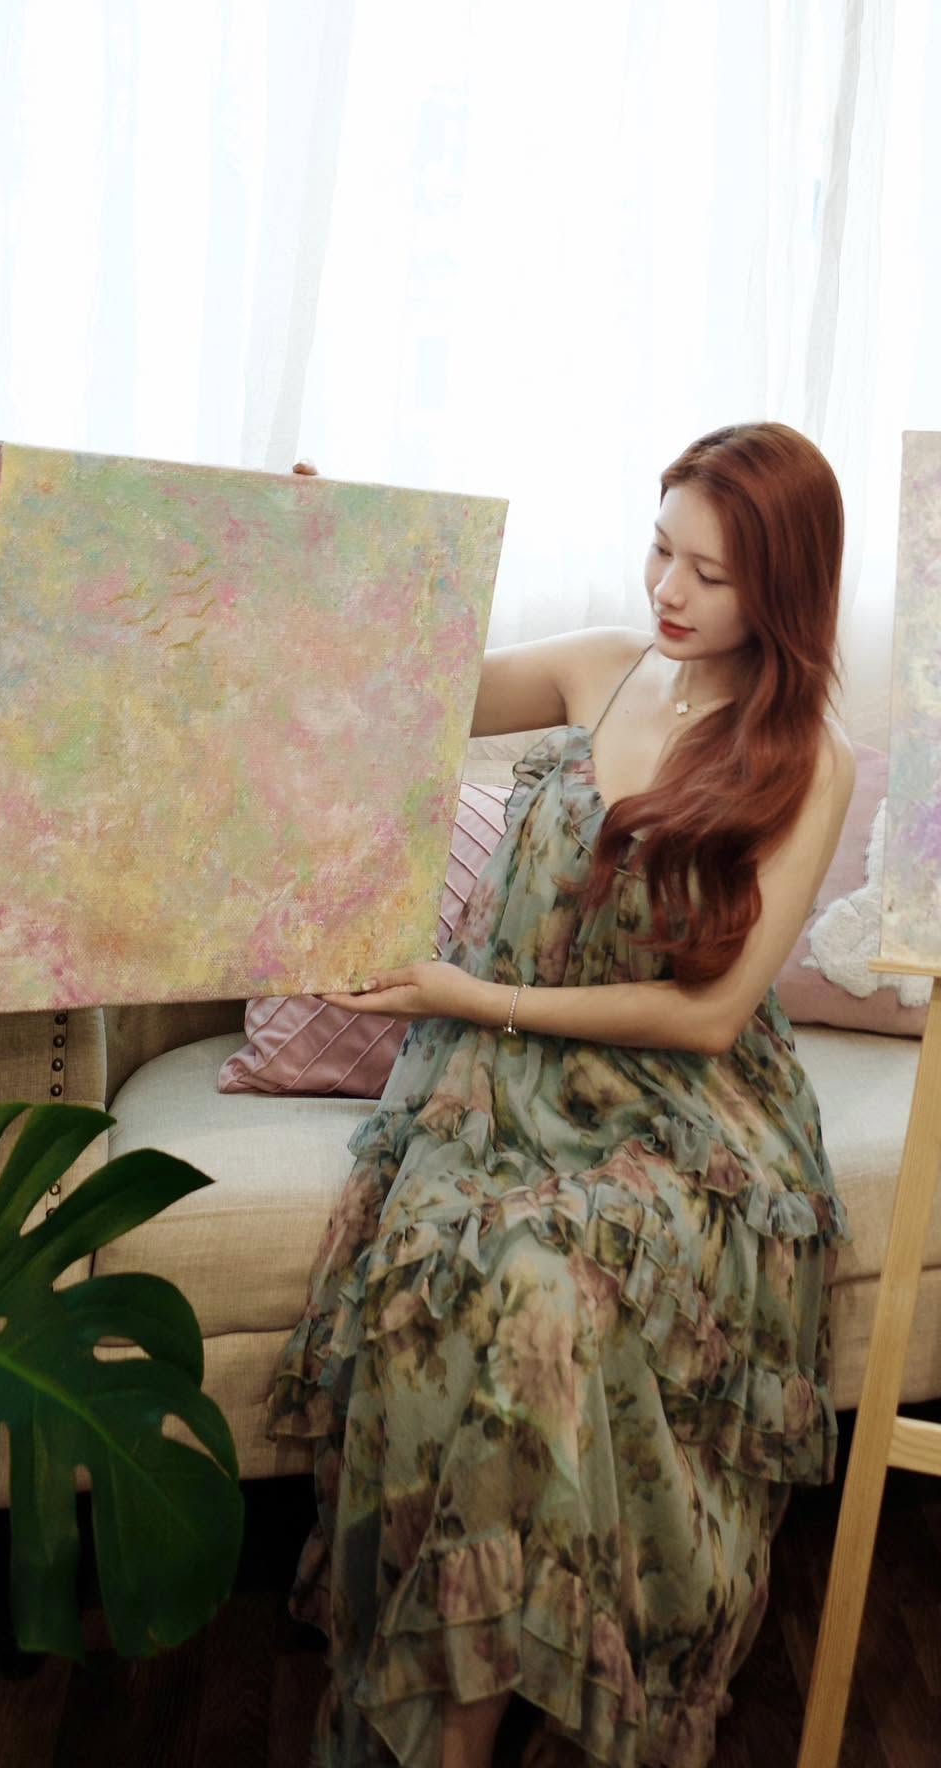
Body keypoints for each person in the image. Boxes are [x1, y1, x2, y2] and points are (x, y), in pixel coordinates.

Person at [267, 422, 857, 1768]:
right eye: (661, 549)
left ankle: (498, 1699)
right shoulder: (602, 665)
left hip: (685, 1116)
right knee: (460, 1291)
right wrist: (332, 559)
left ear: (783, 586)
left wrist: (473, 996)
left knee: (547, 1296)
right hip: (495, 1090)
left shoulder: (808, 760)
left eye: (711, 573)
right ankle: (460, 1708)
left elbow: (709, 1017)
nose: (670, 590)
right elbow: (408, 693)